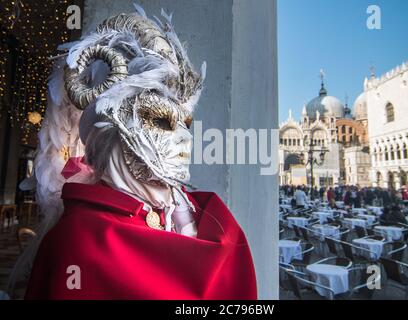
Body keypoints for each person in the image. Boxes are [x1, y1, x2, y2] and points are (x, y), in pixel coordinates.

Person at [20, 7, 256, 300]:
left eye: (186, 124)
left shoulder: (195, 215)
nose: (185, 138)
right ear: (113, 133)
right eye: (160, 119)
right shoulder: (77, 242)